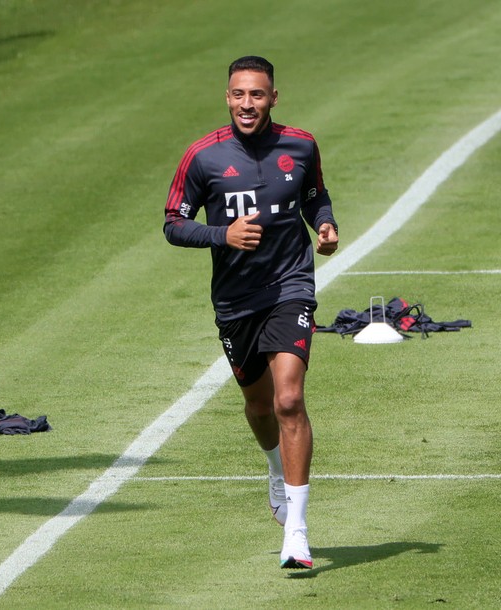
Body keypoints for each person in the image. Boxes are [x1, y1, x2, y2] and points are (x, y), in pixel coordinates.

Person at [163, 55, 339, 569]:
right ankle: (274, 469)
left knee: (288, 400)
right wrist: (223, 235)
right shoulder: (203, 158)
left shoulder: (300, 145)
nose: (247, 104)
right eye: (239, 94)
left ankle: (298, 533)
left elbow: (314, 195)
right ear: (228, 98)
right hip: (236, 301)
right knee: (260, 407)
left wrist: (324, 225)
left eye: (257, 95)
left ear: (273, 98)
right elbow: (173, 223)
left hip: (291, 287)